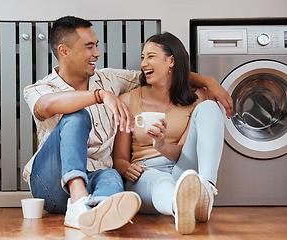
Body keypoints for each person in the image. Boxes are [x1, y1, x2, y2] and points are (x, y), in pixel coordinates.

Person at [22, 16, 231, 236]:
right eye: (89, 47)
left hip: (98, 176)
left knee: (112, 176)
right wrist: (100, 96)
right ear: (64, 51)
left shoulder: (110, 78)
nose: (97, 53)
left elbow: (162, 76)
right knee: (77, 116)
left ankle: (100, 211)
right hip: (52, 182)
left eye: (97, 46)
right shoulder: (39, 88)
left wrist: (209, 82)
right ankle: (78, 200)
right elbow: (47, 105)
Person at [113, 32, 225, 235]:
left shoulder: (195, 97)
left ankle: (206, 188)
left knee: (210, 107)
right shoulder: (127, 100)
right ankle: (179, 207)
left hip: (184, 169)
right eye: (142, 57)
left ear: (171, 60)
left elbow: (184, 154)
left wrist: (161, 145)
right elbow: (119, 159)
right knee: (161, 182)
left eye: (151, 56)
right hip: (145, 174)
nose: (144, 63)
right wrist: (126, 169)